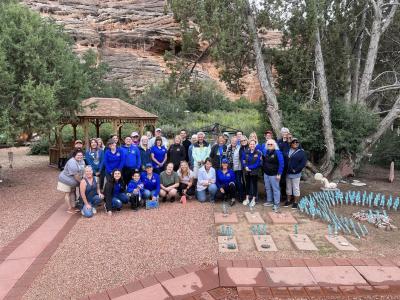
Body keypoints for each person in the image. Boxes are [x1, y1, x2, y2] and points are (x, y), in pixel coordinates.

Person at [262, 139, 284, 212]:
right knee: (268, 188)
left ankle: (276, 204)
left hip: (274, 174)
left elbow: (281, 164)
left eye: (271, 144)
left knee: (275, 189)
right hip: (266, 173)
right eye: (268, 144)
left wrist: (279, 174)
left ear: (274, 145)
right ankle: (269, 201)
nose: (269, 145)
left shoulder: (278, 152)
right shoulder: (266, 152)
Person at [286, 138, 307, 209]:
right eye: (293, 142)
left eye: (297, 142)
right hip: (288, 173)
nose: (295, 143)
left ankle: (295, 202)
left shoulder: (301, 152)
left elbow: (303, 163)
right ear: (291, 143)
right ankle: (288, 201)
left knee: (295, 188)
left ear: (298, 143)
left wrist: (296, 170)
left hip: (296, 173)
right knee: (288, 188)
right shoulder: (288, 150)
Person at [241, 140, 261, 207]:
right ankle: (247, 199)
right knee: (248, 185)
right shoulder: (245, 152)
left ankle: (253, 199)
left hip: (254, 172)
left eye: (253, 144)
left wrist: (249, 167)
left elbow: (257, 163)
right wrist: (245, 166)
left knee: (254, 185)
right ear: (249, 145)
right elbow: (243, 160)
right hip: (247, 171)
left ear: (255, 145)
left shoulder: (258, 153)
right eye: (251, 144)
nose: (252, 145)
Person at [227, 136, 245, 201]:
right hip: (230, 168)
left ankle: (241, 196)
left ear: (237, 142)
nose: (234, 142)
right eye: (232, 141)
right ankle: (232, 196)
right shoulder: (228, 147)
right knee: (231, 181)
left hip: (238, 168)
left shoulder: (240, 147)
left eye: (235, 141)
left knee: (238, 182)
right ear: (230, 141)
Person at [277, 127, 290, 205]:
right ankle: (283, 195)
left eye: (286, 132)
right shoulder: (278, 141)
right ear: (281, 133)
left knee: (288, 180)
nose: (284, 133)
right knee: (281, 180)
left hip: (288, 164)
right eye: (283, 132)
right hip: (280, 164)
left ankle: (289, 196)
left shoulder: (290, 141)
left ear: (288, 133)